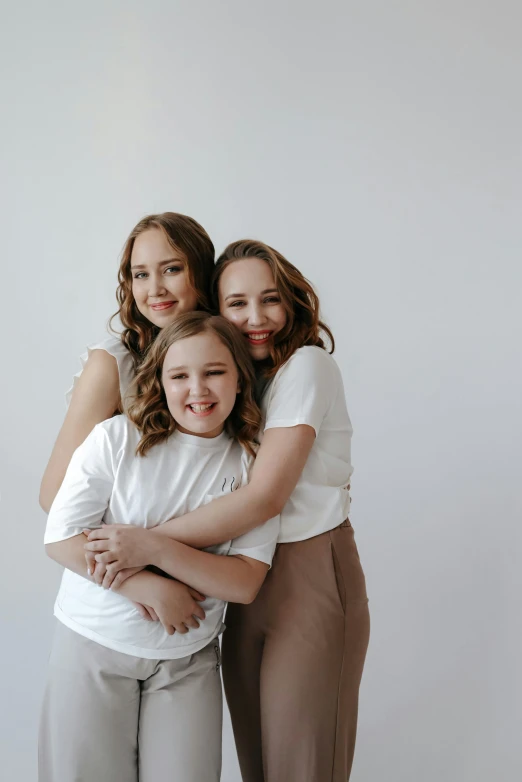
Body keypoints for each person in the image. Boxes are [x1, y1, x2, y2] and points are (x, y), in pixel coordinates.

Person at [84, 240, 370, 782]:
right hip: (237, 575)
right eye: (237, 303)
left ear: (293, 302)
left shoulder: (306, 366)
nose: (256, 318)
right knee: (258, 765)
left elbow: (264, 498)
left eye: (270, 299)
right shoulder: (233, 382)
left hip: (306, 569)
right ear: (216, 311)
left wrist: (147, 547)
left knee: (304, 764)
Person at [40, 312, 279, 782]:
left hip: (187, 660)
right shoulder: (116, 439)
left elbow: (246, 581)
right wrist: (147, 588)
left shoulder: (251, 464)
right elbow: (61, 539)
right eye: (180, 375)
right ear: (160, 381)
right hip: (94, 646)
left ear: (238, 378)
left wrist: (157, 550)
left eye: (214, 372)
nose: (199, 389)